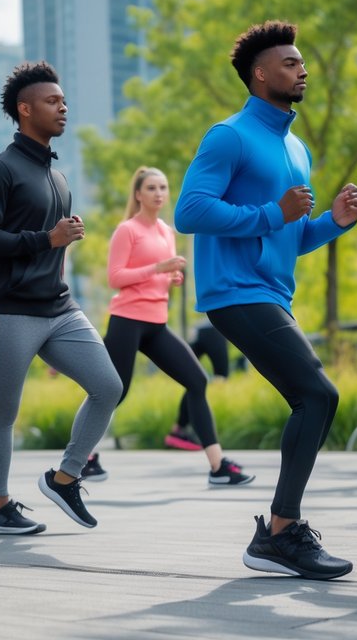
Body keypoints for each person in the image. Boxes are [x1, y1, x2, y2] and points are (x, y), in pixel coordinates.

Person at [176, 20, 357, 581]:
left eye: (302, 62)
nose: (301, 69)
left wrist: (334, 222)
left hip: (271, 293)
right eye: (290, 63)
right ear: (260, 75)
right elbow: (190, 212)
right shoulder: (228, 135)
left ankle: (281, 534)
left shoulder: (296, 146)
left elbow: (290, 236)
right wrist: (270, 213)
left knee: (314, 398)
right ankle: (281, 534)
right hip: (234, 292)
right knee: (317, 392)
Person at [0, 61, 122, 535]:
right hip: (11, 309)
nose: (63, 107)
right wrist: (45, 239)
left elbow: (48, 239)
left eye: (64, 100)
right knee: (5, 413)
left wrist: (61, 238)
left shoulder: (58, 175)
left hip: (59, 306)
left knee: (109, 386)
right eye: (53, 101)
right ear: (25, 109)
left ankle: (65, 477)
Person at [84, 166, 253, 487]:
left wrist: (171, 277)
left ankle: (218, 466)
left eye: (163, 187)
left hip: (156, 323)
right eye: (151, 188)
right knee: (113, 392)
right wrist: (159, 267)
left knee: (197, 381)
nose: (159, 193)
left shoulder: (166, 231)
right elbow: (115, 277)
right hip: (127, 320)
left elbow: (158, 278)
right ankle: (82, 457)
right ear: (138, 194)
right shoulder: (127, 230)